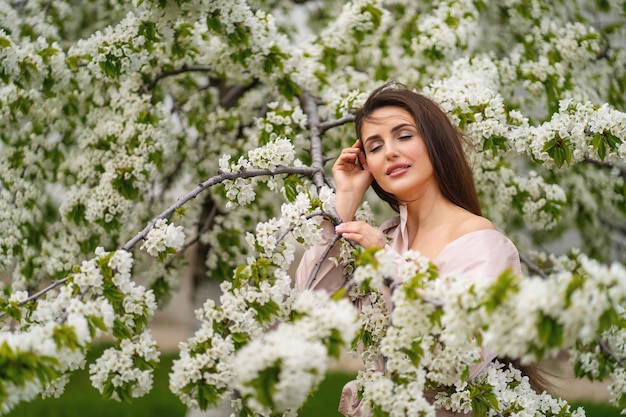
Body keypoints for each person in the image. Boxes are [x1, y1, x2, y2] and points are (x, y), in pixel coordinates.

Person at [295, 82, 544, 416]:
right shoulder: (382, 237)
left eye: (404, 135)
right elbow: (312, 305)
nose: (390, 152)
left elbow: (460, 361)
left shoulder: (483, 244)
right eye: (375, 146)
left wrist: (385, 264)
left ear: (434, 141)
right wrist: (345, 204)